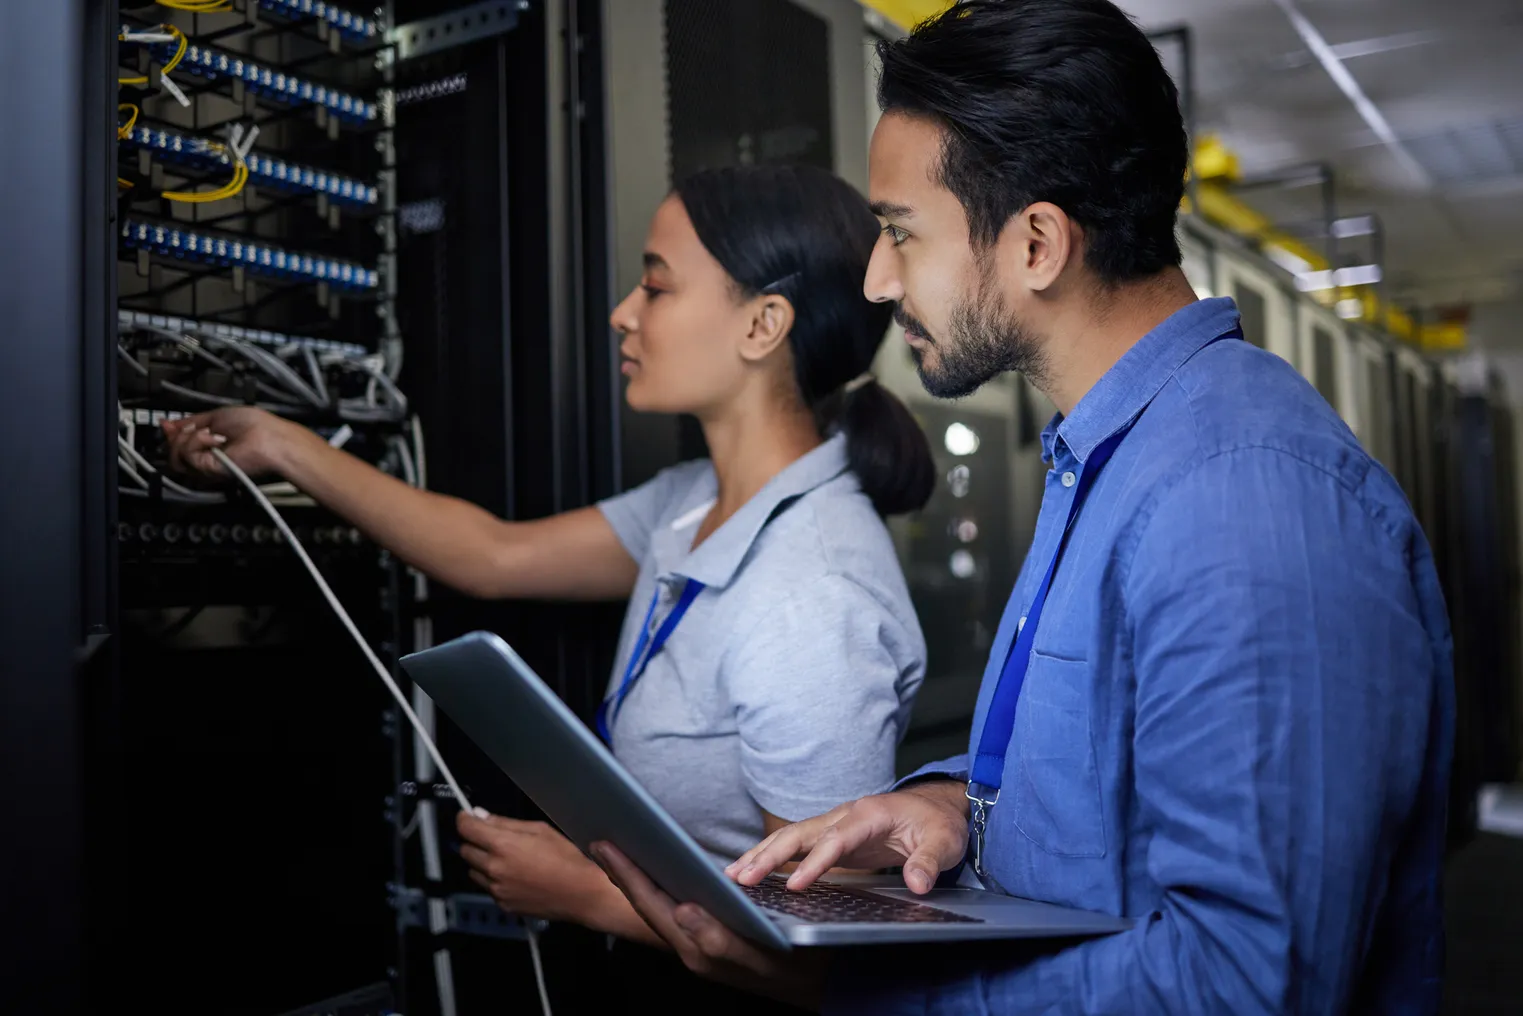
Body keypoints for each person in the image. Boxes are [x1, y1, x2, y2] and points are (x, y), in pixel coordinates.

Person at [591, 2, 1455, 1013]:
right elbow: (1104, 774)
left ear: (1036, 243)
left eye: (898, 231)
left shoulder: (1243, 499)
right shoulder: (1115, 460)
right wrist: (948, 801)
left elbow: (1243, 982)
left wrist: (867, 995)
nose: (875, 279)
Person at [162, 164, 935, 995]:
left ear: (762, 324)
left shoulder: (808, 597)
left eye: (655, 286)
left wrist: (589, 894)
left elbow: (825, 966)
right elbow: (491, 556)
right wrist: (283, 448)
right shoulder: (696, 502)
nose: (623, 314)